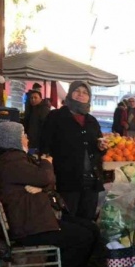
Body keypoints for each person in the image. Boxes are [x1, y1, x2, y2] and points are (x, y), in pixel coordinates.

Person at [0, 121, 95, 267]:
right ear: (12, 139)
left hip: (33, 218)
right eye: (23, 135)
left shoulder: (12, 160)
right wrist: (46, 162)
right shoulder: (11, 162)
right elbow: (46, 177)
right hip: (29, 226)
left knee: (88, 227)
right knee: (82, 237)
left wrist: (42, 186)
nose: (27, 138)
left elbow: (47, 183)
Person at [41, 81, 108, 221]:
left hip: (91, 181)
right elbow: (45, 145)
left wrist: (101, 148)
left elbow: (98, 145)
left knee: (88, 220)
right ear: (70, 93)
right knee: (68, 220)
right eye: (77, 91)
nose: (81, 95)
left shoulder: (92, 121)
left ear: (89, 97)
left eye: (85, 93)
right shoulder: (56, 117)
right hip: (67, 180)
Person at [22, 89, 51, 154]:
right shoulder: (31, 109)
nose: (33, 99)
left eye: (35, 97)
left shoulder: (44, 110)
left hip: (38, 144)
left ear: (40, 99)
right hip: (31, 142)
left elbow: (45, 127)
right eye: (31, 98)